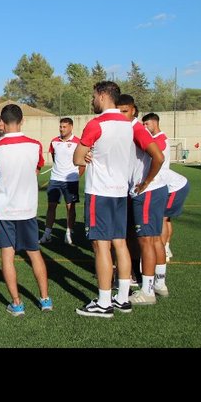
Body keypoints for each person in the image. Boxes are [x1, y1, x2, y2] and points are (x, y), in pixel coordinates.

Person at [73, 82, 134, 317]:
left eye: (93, 96)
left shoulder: (96, 124)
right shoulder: (127, 124)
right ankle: (122, 298)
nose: (92, 101)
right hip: (120, 191)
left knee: (100, 246)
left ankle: (104, 302)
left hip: (100, 191)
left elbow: (78, 159)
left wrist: (86, 154)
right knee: (120, 244)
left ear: (102, 96)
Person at [0, 102, 52, 316]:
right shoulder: (35, 145)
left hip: (4, 210)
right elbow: (36, 169)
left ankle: (17, 303)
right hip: (27, 209)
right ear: (22, 121)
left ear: (2, 124)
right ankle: (45, 299)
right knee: (34, 254)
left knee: (7, 255)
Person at [117, 97, 166, 306]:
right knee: (153, 239)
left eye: (125, 111)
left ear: (134, 111)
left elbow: (159, 157)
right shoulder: (130, 130)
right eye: (118, 111)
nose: (122, 115)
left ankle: (147, 292)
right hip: (153, 191)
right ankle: (157, 284)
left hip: (147, 193)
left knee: (146, 240)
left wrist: (145, 181)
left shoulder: (137, 130)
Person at [142, 111, 190, 277]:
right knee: (166, 218)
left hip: (171, 186)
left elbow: (154, 155)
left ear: (154, 123)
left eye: (146, 124)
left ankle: (161, 248)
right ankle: (166, 247)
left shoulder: (159, 139)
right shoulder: (160, 138)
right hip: (169, 183)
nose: (145, 127)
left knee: (161, 218)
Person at [39, 118, 84, 246]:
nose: (62, 129)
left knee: (70, 207)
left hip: (71, 181)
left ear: (71, 127)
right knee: (51, 206)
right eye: (60, 127)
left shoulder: (78, 142)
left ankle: (69, 233)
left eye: (64, 127)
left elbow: (82, 163)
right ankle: (47, 234)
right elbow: (54, 158)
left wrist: (75, 176)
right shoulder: (54, 141)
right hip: (55, 179)